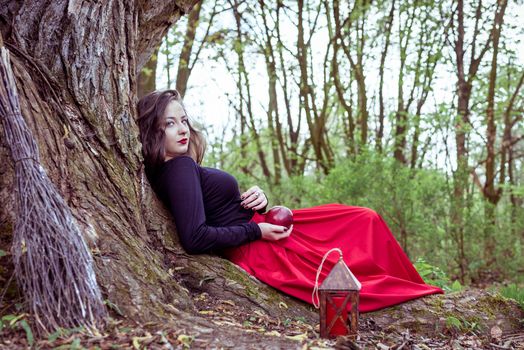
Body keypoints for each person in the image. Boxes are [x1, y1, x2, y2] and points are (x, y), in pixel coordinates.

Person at [137, 89, 442, 313]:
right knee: (349, 254)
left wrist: (258, 201)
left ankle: (414, 286)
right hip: (257, 245)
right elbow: (195, 237)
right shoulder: (178, 167)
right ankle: (417, 291)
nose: (183, 130)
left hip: (262, 226)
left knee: (362, 219)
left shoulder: (178, 168)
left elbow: (214, 208)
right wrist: (257, 231)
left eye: (184, 121)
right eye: (170, 123)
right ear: (154, 131)